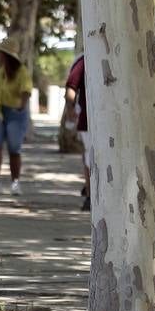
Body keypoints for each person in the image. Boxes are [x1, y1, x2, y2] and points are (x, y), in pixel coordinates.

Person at [0, 43, 32, 196]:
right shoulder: (0, 70)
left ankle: (15, 182)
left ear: (7, 56)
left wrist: (21, 106)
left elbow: (26, 90)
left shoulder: (21, 71)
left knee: (14, 149)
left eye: (0, 53)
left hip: (15, 113)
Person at [63, 53, 90, 210]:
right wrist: (70, 108)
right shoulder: (83, 61)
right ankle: (90, 195)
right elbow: (71, 86)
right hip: (88, 120)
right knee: (89, 157)